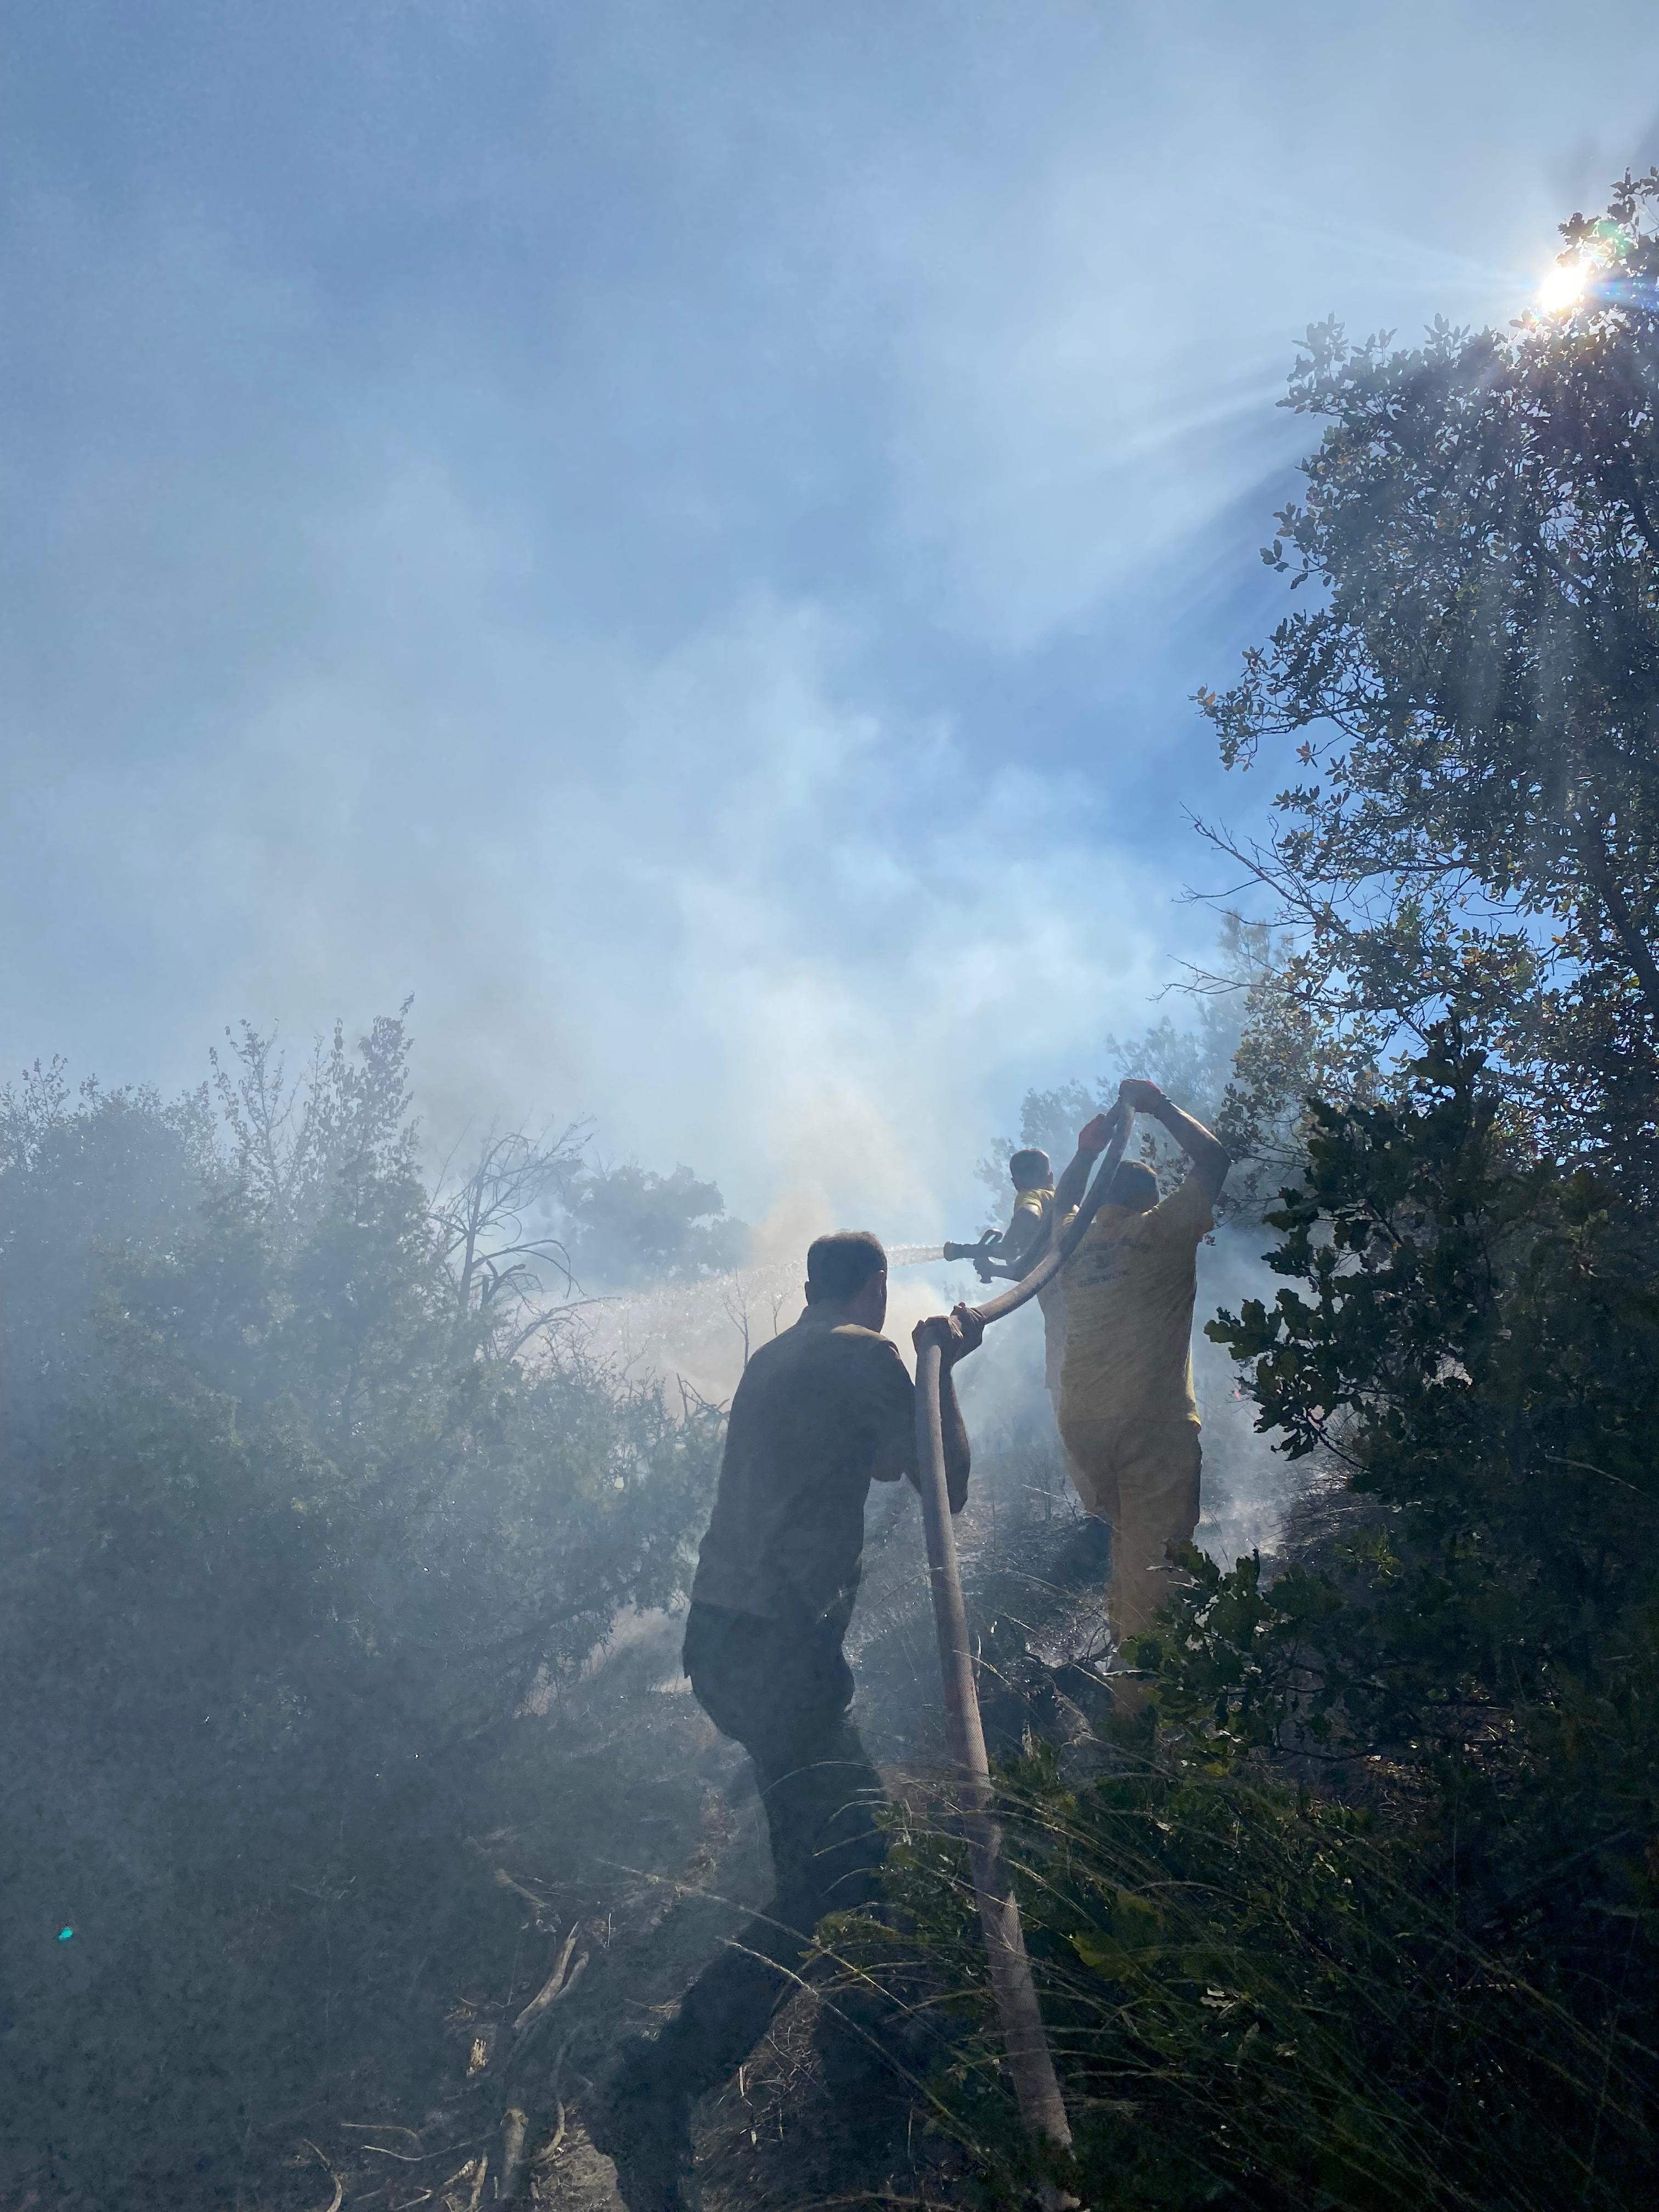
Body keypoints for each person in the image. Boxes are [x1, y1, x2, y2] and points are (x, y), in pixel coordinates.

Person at [589, 1231, 984, 2212]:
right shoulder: (865, 1355)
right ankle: (655, 2084)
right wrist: (946, 1370)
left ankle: (867, 2041)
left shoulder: (774, 1355)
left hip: (722, 1641)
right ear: (875, 1286)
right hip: (775, 1652)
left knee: (849, 1858)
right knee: (836, 1872)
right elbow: (945, 1485)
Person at [1049, 1079, 1229, 1662]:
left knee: (1129, 1544)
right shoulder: (1161, 1232)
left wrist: (1084, 1153)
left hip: (1083, 1426)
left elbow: (1063, 1207)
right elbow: (1216, 1160)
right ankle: (1144, 1711)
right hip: (1152, 1423)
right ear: (1151, 1202)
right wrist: (1161, 1108)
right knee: (1157, 1567)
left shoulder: (1074, 1245)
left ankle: (1127, 1646)